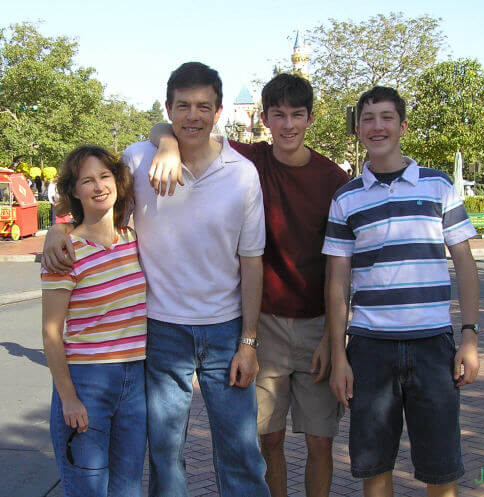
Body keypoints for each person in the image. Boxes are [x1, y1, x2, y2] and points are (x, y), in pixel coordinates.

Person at [41, 62, 270, 497]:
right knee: (165, 454)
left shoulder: (241, 174)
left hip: (225, 330)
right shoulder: (139, 158)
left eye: (203, 106)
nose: (193, 116)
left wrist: (249, 340)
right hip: (161, 331)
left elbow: (251, 260)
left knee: (241, 451)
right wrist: (59, 225)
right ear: (169, 108)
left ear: (219, 112)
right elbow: (93, 195)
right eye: (182, 106)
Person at [148, 73, 350, 497]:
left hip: (315, 325)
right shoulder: (249, 160)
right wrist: (166, 144)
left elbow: (340, 269)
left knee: (320, 440)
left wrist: (335, 338)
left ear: (311, 119)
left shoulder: (332, 180)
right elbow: (184, 129)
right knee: (266, 439)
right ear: (265, 118)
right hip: (264, 324)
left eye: (297, 115)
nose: (288, 125)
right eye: (279, 115)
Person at [324, 86, 479, 497]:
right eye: (369, 119)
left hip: (433, 346)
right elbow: (337, 282)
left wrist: (469, 335)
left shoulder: (439, 187)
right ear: (358, 128)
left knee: (441, 468)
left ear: (403, 125)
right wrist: (339, 354)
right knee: (374, 468)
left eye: (387, 117)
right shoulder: (346, 199)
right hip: (371, 349)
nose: (378, 127)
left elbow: (464, 261)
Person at [41, 145, 147, 496]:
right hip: (86, 382)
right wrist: (68, 397)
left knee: (127, 488)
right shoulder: (65, 251)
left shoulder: (134, 239)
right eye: (87, 180)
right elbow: (51, 332)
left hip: (134, 380)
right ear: (74, 191)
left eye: (105, 176)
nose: (99, 186)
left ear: (117, 182)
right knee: (88, 489)